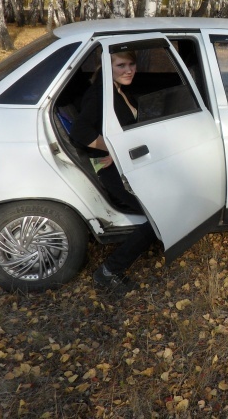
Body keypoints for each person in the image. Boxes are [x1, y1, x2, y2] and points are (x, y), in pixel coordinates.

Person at [70, 50, 157, 293]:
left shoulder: (117, 90)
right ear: (107, 66)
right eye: (121, 65)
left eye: (132, 64)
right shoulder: (100, 93)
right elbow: (80, 132)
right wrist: (114, 150)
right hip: (111, 172)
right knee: (158, 215)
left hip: (129, 166)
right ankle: (109, 271)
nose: (128, 70)